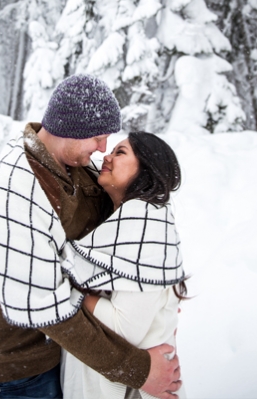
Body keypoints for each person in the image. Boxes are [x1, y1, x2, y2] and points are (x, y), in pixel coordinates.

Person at [0, 74, 182, 399]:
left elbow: (131, 214)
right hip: (12, 373)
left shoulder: (76, 168)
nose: (103, 149)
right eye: (98, 137)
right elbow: (46, 308)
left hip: (64, 356)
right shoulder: (16, 186)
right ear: (70, 129)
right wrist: (140, 371)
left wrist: (157, 287)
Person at [60, 132, 186, 399]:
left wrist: (66, 290)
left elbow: (123, 326)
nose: (106, 156)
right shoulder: (126, 221)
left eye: (120, 152)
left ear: (146, 170)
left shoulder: (145, 225)